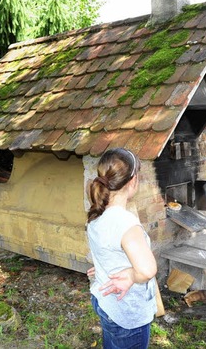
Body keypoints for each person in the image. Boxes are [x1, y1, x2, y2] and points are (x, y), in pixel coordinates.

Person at [86, 147, 158, 349]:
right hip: (127, 313)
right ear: (133, 181)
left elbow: (108, 250)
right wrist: (132, 275)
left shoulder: (96, 213)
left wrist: (104, 267)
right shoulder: (126, 223)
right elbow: (147, 270)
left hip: (106, 302)